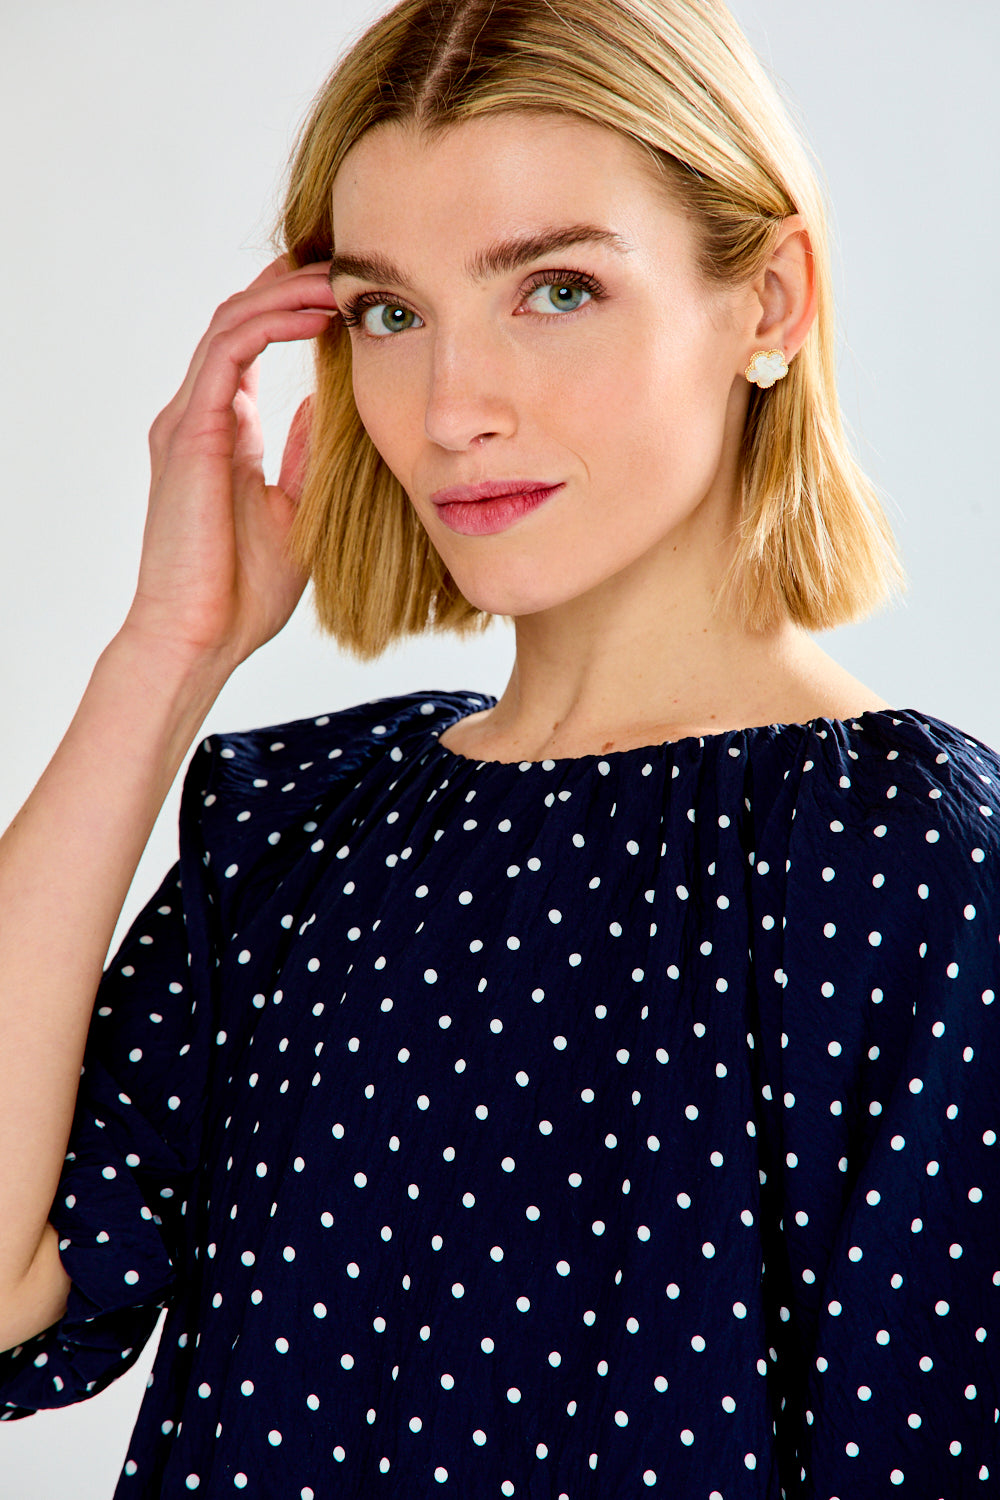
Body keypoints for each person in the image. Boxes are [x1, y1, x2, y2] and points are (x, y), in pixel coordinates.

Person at [1, 0, 997, 1494]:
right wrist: (165, 656)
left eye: (556, 290)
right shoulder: (298, 821)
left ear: (771, 302)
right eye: (389, 314)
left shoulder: (912, 862)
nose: (454, 407)